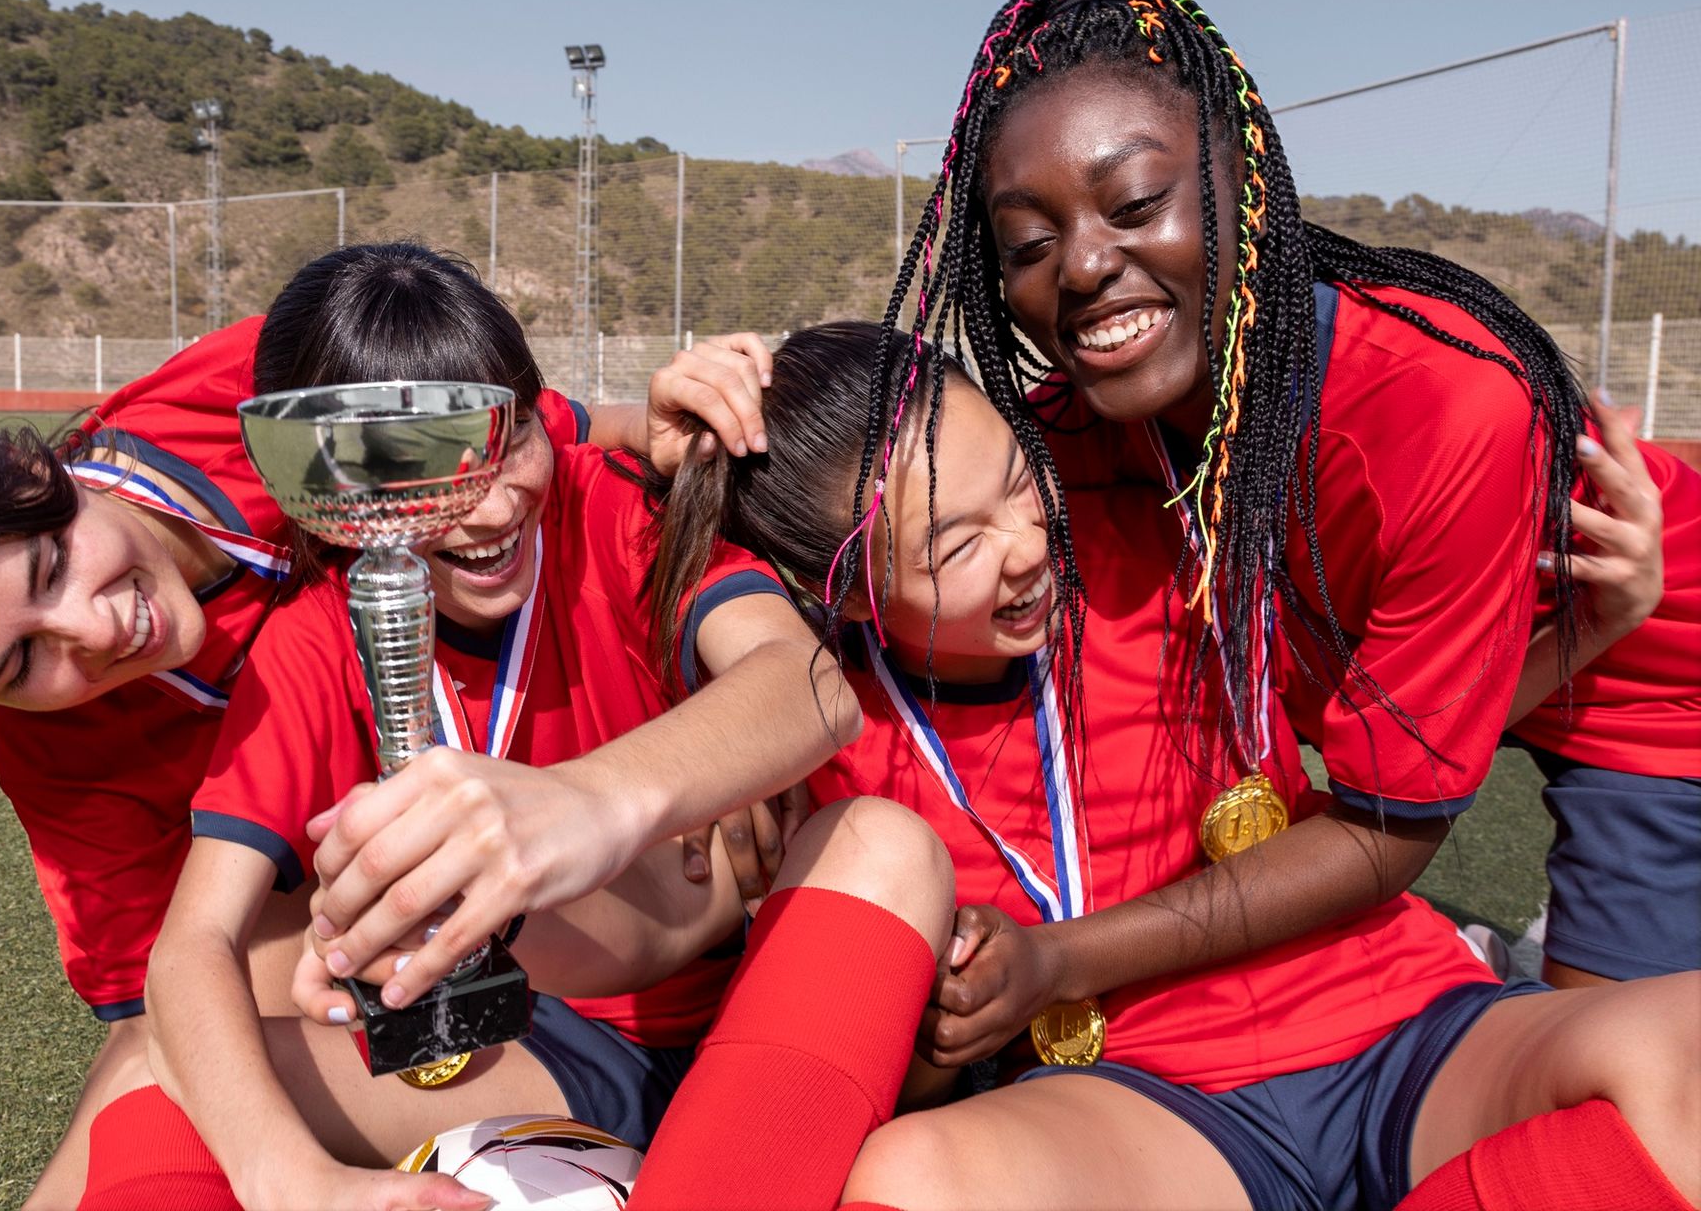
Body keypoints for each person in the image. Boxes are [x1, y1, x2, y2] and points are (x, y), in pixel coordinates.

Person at [0, 245, 782, 1206]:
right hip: (382, 915)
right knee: (168, 1054)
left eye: (51, 567)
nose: (94, 628)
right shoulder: (80, 750)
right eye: (20, 662)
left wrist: (651, 431)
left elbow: (500, 426)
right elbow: (170, 991)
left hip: (620, 882)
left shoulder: (255, 386)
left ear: (30, 470)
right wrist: (281, 1168)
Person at [623, 321, 1698, 1211]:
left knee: (1682, 1052)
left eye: (1018, 480)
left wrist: (1592, 632)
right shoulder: (829, 740)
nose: (1025, 540)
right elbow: (897, 1086)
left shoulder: (1173, 548)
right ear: (853, 590)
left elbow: (1398, 765)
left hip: (1399, 1027)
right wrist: (953, 1027)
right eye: (955, 544)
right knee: (914, 1175)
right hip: (1148, 1106)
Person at [869, 0, 1700, 995]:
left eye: (1133, 201)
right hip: (1453, 686)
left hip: (1640, 672)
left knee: (1616, 1089)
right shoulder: (1074, 430)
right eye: (1030, 242)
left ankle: (1523, 963)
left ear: (1243, 183)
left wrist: (1056, 962)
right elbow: (864, 528)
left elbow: (1381, 825)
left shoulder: (1439, 405)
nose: (1081, 265)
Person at [70, 243, 858, 1209]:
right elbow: (192, 943)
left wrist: (587, 801)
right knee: (166, 1065)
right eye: (421, 462)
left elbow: (810, 686)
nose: (491, 501)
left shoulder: (607, 511)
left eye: (512, 434)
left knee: (853, 839)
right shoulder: (318, 633)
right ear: (334, 483)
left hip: (706, 1020)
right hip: (529, 1049)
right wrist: (294, 1179)